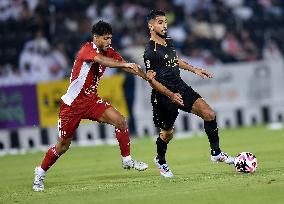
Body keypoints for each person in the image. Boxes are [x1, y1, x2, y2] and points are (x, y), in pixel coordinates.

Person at [32, 20, 175, 192]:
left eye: (111, 38)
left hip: (91, 101)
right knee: (63, 146)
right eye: (106, 38)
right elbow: (103, 61)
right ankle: (40, 173)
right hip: (72, 106)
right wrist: (124, 64)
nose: (109, 41)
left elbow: (128, 67)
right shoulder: (87, 50)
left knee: (120, 120)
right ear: (96, 37)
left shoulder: (109, 51)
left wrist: (149, 79)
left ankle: (127, 160)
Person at [143, 10, 235, 178]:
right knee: (167, 133)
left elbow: (175, 60)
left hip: (181, 88)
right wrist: (170, 95)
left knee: (209, 114)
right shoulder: (150, 51)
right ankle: (160, 160)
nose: (165, 25)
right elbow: (151, 80)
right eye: (160, 22)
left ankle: (216, 153)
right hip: (164, 97)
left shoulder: (168, 42)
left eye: (165, 22)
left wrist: (194, 69)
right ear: (151, 26)